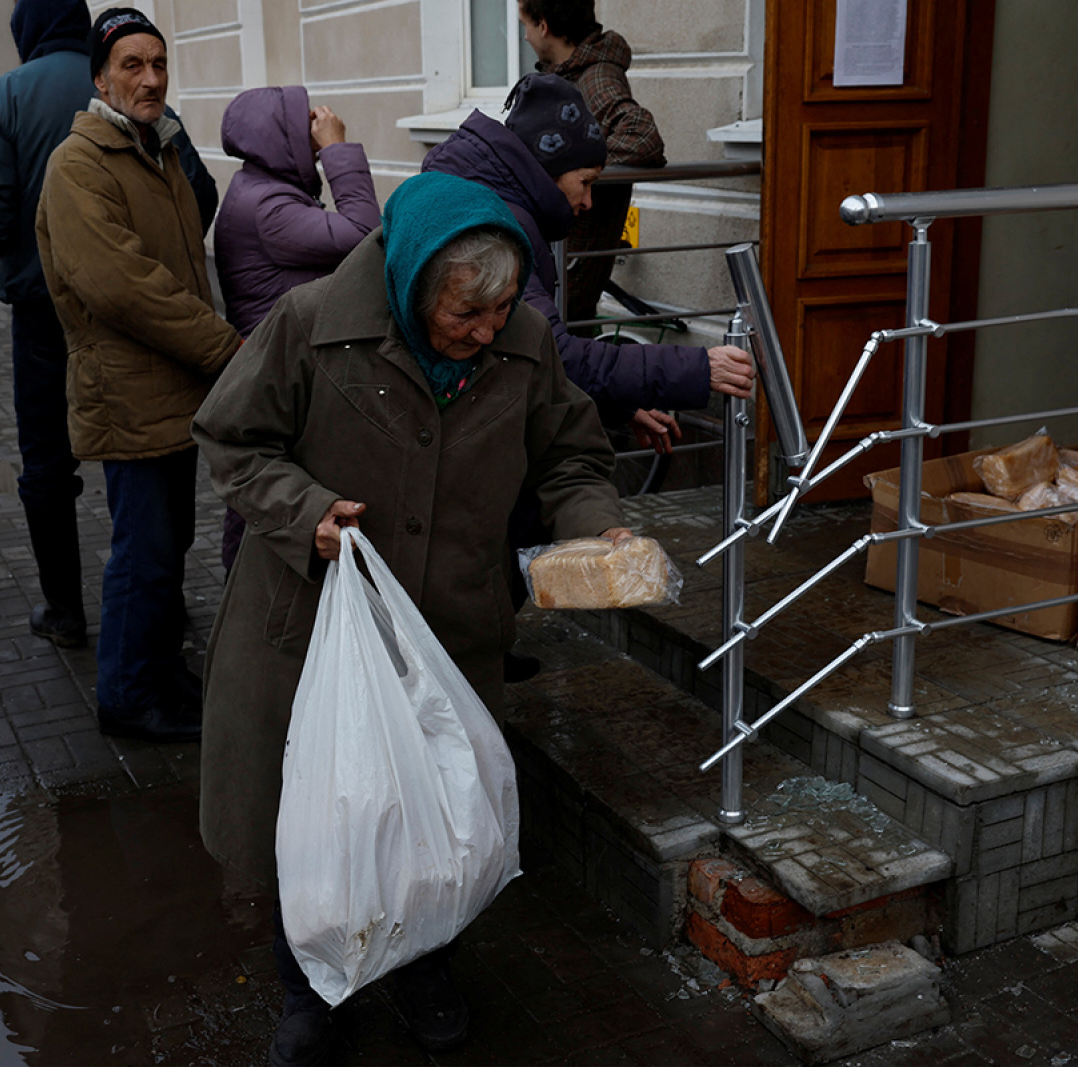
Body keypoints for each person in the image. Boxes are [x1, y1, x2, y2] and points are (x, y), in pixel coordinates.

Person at [193, 171, 628, 1066]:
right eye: (464, 314)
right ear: (412, 283)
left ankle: (425, 965)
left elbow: (571, 458)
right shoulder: (311, 324)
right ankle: (311, 987)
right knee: (313, 824)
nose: (485, 332)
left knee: (434, 819)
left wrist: (597, 529)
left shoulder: (524, 343)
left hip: (450, 630)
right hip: (309, 629)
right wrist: (303, 506)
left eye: (501, 308)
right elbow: (232, 438)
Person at [0, 0, 219, 651]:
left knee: (46, 464)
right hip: (137, 327)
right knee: (156, 458)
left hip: (43, 317)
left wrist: (33, 248)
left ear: (24, 30)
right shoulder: (147, 100)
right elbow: (196, 195)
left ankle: (64, 607)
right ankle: (162, 602)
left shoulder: (0, 98)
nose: (149, 74)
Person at [35, 7, 242, 744]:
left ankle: (159, 671)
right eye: (132, 64)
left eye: (158, 63)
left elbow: (186, 263)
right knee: (143, 552)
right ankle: (126, 694)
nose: (150, 78)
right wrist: (225, 348)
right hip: (129, 394)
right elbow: (122, 285)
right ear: (100, 77)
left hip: (174, 388)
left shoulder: (155, 150)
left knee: (168, 543)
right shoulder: (81, 164)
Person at [422, 73, 752, 458]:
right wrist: (698, 368)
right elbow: (553, 355)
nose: (589, 200)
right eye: (586, 182)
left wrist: (621, 402)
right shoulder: (500, 229)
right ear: (547, 169)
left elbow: (533, 355)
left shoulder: (495, 199)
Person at [213, 85, 382, 572]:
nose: (313, 132)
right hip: (277, 367)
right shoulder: (270, 206)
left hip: (274, 359)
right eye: (302, 126)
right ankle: (245, 604)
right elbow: (364, 235)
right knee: (264, 497)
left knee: (263, 495)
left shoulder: (262, 189)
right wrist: (337, 151)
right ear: (278, 137)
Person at [520, 0, 666, 323]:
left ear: (543, 25)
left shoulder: (595, 79)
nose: (526, 37)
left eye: (525, 26)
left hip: (569, 276)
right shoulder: (568, 75)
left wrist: (573, 167)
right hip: (555, 268)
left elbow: (643, 138)